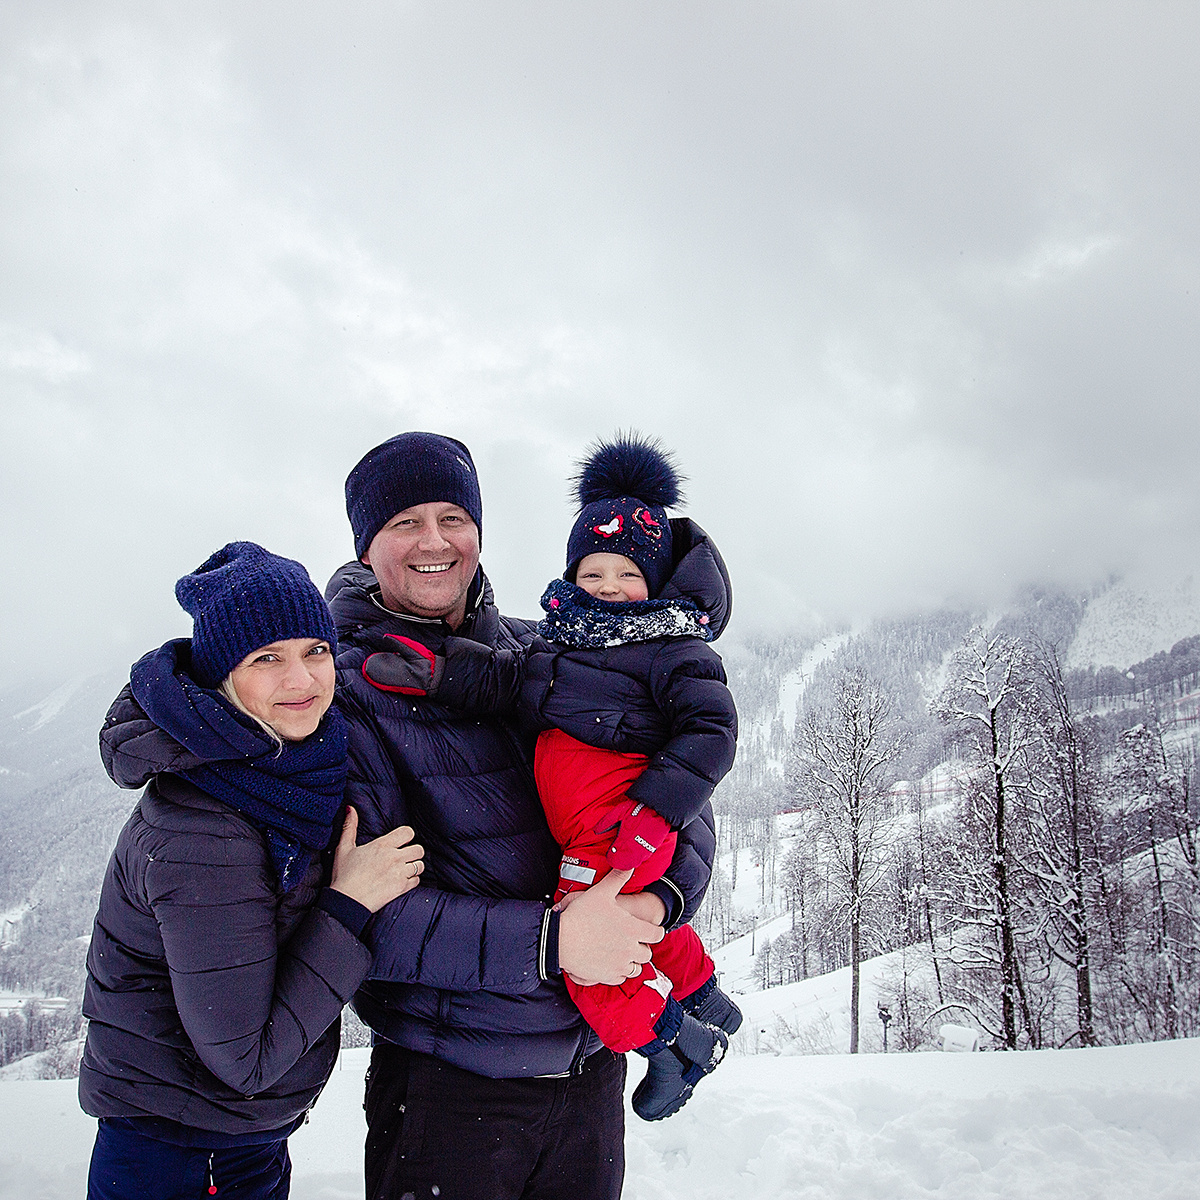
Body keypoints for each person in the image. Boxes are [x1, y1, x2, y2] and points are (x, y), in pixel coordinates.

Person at [327, 431, 718, 1200]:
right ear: (367, 546)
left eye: (452, 516)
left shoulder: (555, 651)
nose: (434, 540)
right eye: (404, 522)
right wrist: (554, 941)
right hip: (453, 1092)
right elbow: (365, 920)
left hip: (592, 1074)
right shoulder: (342, 696)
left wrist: (657, 899)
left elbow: (685, 795)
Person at [78, 542, 425, 1200]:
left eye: (314, 651)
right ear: (221, 677)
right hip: (180, 1153)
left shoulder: (279, 768)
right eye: (266, 658)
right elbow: (248, 1057)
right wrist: (348, 905)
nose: (301, 680)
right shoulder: (205, 831)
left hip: (227, 1139)